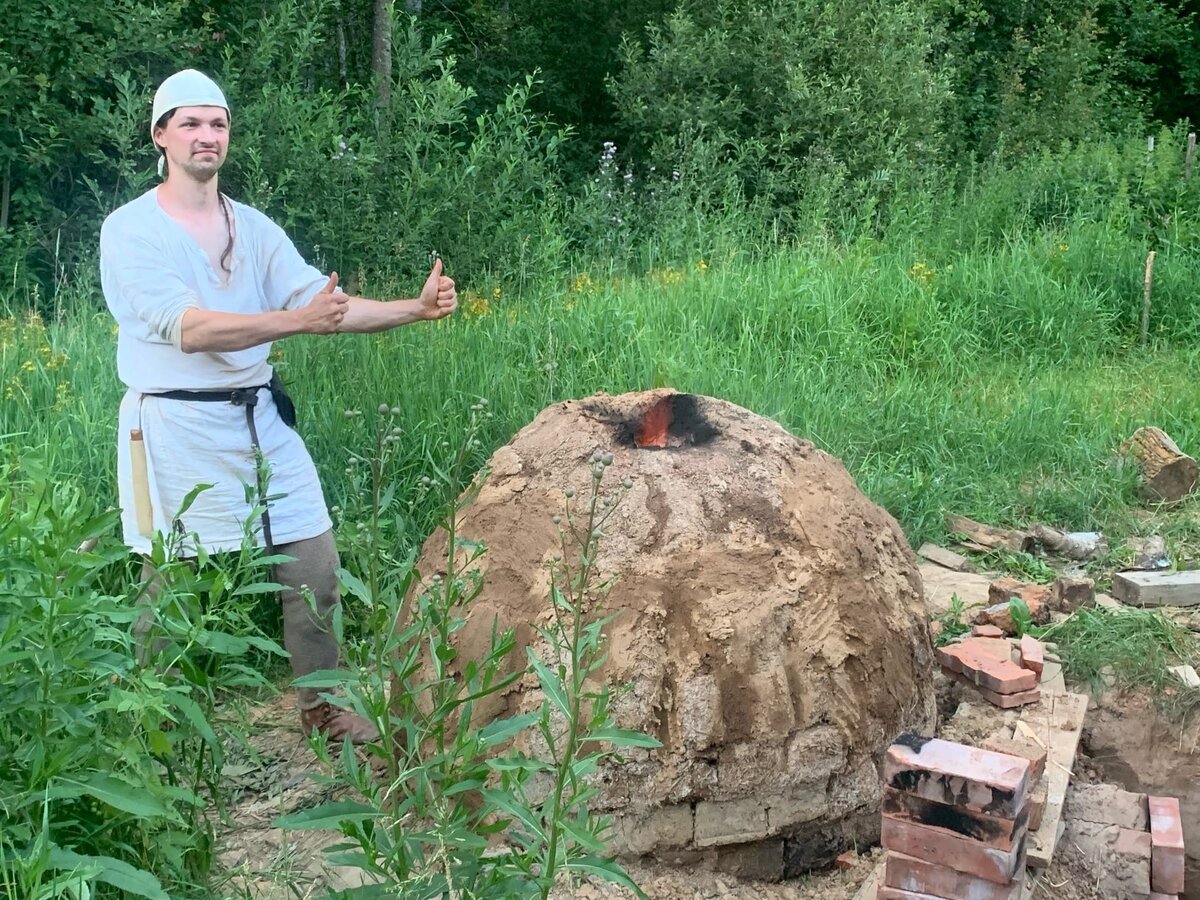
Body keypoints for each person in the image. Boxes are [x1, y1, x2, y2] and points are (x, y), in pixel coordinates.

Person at [100, 69, 457, 743]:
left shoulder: (253, 228)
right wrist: (298, 323)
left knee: (315, 568)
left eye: (218, 124)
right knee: (168, 579)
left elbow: (321, 304)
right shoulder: (131, 230)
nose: (207, 135)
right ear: (160, 135)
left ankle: (324, 708)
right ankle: (152, 726)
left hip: (258, 417)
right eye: (190, 123)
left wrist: (414, 309)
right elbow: (190, 328)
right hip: (172, 426)